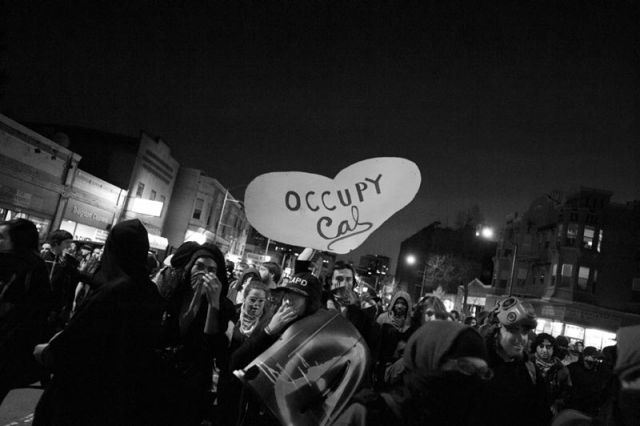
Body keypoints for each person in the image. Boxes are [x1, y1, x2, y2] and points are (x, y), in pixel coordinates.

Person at [32, 219, 166, 425]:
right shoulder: (150, 292)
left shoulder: (113, 292)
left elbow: (77, 342)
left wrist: (49, 351)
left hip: (83, 396)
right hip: (122, 397)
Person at [333, 321, 491, 426]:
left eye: (483, 373)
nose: (473, 379)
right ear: (428, 360)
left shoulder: (476, 416)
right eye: (466, 367)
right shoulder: (369, 415)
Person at [154, 241, 233, 426]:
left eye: (211, 270)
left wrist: (213, 305)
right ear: (190, 267)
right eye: (199, 266)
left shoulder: (224, 306)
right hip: (162, 375)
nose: (204, 273)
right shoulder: (173, 293)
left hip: (193, 383)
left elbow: (212, 347)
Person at [230, 272, 323, 426]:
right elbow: (236, 361)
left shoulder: (313, 335)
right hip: (254, 409)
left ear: (310, 302)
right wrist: (268, 331)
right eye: (287, 293)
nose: (287, 299)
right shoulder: (272, 319)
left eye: (296, 295)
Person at [0, 219, 51, 403]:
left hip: (7, 351)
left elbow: (29, 315)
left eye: (2, 237)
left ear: (18, 240)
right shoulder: (8, 265)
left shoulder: (31, 269)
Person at [479, 296, 550, 426]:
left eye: (525, 331)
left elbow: (541, 415)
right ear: (496, 329)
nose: (521, 338)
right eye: (513, 330)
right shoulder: (477, 365)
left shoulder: (530, 371)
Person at [218, 280, 270, 425]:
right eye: (253, 300)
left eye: (261, 301)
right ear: (245, 298)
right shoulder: (232, 313)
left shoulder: (267, 322)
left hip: (249, 377)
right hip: (227, 372)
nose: (256, 305)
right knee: (223, 410)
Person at [565, 346, 612, 417]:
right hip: (575, 406)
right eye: (593, 357)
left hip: (591, 409)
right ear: (585, 356)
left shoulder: (598, 369)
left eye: (597, 358)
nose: (596, 360)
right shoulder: (573, 368)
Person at [532, 333, 572, 415]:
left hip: (547, 413)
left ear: (554, 349)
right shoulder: (527, 363)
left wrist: (556, 404)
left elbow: (566, 392)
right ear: (535, 347)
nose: (544, 350)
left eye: (548, 347)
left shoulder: (562, 370)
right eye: (541, 346)